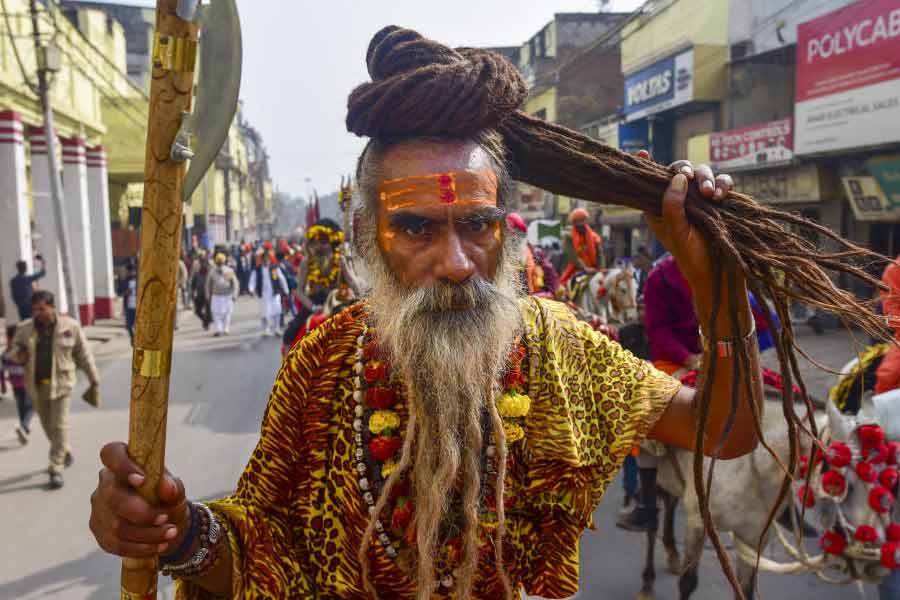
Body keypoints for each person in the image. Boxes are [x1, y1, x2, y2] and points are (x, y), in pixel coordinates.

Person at [89, 28, 759, 599]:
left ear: (508, 229)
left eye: (477, 225)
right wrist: (180, 535)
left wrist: (719, 291)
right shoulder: (323, 366)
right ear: (365, 238)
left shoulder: (560, 348)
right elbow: (267, 544)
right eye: (416, 230)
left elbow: (723, 433)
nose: (458, 262)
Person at [12, 290, 99, 489]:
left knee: (59, 425)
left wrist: (94, 378)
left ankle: (55, 467)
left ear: (52, 307)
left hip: (62, 385)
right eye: (34, 309)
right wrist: (19, 354)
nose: (37, 313)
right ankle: (64, 449)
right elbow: (12, 350)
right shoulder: (25, 329)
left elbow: (83, 354)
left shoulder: (70, 326)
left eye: (42, 309)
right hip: (36, 387)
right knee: (47, 427)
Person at [506, 212, 559, 296]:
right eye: (510, 233)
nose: (514, 237)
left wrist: (544, 295)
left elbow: (552, 284)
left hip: (534, 302)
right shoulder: (499, 258)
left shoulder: (537, 254)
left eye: (518, 233)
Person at [2, 324, 33, 444]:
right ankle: (23, 427)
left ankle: (23, 428)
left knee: (21, 406)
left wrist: (3, 384)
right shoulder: (22, 350)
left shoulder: (5, 353)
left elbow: (2, 370)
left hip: (15, 384)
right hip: (26, 383)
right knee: (31, 406)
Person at [248, 248, 289, 336]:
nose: (266, 260)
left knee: (277, 311)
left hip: (275, 293)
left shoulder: (274, 268)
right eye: (264, 259)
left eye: (268, 258)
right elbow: (253, 279)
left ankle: (277, 328)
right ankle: (265, 330)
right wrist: (251, 289)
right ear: (262, 259)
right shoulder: (258, 269)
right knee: (264, 312)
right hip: (263, 294)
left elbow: (281, 278)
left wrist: (286, 289)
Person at [560, 207, 605, 284]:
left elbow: (600, 253)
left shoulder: (594, 236)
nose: (582, 224)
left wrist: (601, 269)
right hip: (574, 270)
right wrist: (585, 268)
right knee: (562, 291)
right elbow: (572, 256)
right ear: (574, 223)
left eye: (583, 221)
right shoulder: (568, 236)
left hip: (594, 270)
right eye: (579, 222)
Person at [205, 253, 238, 337]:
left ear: (224, 262)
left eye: (221, 262)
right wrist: (207, 294)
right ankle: (218, 329)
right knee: (215, 313)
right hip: (216, 296)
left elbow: (235, 283)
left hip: (227, 296)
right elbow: (208, 284)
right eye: (218, 262)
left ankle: (226, 328)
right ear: (216, 262)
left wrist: (235, 294)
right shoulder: (212, 272)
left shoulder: (229, 271)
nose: (220, 264)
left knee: (228, 312)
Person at [9, 256, 46, 320]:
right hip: (29, 305)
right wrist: (43, 264)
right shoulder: (27, 278)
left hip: (20, 306)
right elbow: (42, 273)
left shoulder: (13, 281)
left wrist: (17, 303)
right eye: (25, 267)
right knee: (32, 321)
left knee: (24, 322)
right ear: (25, 268)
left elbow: (13, 295)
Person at [190, 251, 212, 330]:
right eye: (201, 262)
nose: (202, 264)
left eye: (204, 262)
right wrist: (192, 293)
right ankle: (205, 320)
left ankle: (207, 323)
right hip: (199, 294)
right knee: (197, 311)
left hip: (208, 294)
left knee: (208, 310)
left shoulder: (210, 272)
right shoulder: (197, 273)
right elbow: (193, 284)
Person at [118, 265, 138, 345]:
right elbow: (119, 292)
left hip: (138, 308)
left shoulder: (139, 280)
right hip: (129, 307)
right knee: (128, 325)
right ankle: (133, 336)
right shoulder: (124, 281)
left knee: (138, 326)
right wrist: (125, 293)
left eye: (132, 271)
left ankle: (136, 339)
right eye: (129, 271)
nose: (131, 273)